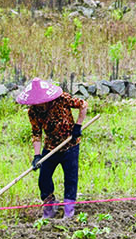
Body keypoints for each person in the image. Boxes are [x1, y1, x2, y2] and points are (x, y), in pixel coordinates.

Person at [15, 78, 84, 221]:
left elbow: (83, 105)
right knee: (44, 178)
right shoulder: (33, 112)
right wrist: (37, 155)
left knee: (70, 178)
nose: (39, 105)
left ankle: (68, 211)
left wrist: (78, 126)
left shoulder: (62, 99)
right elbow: (36, 133)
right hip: (51, 146)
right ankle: (49, 208)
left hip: (70, 144)